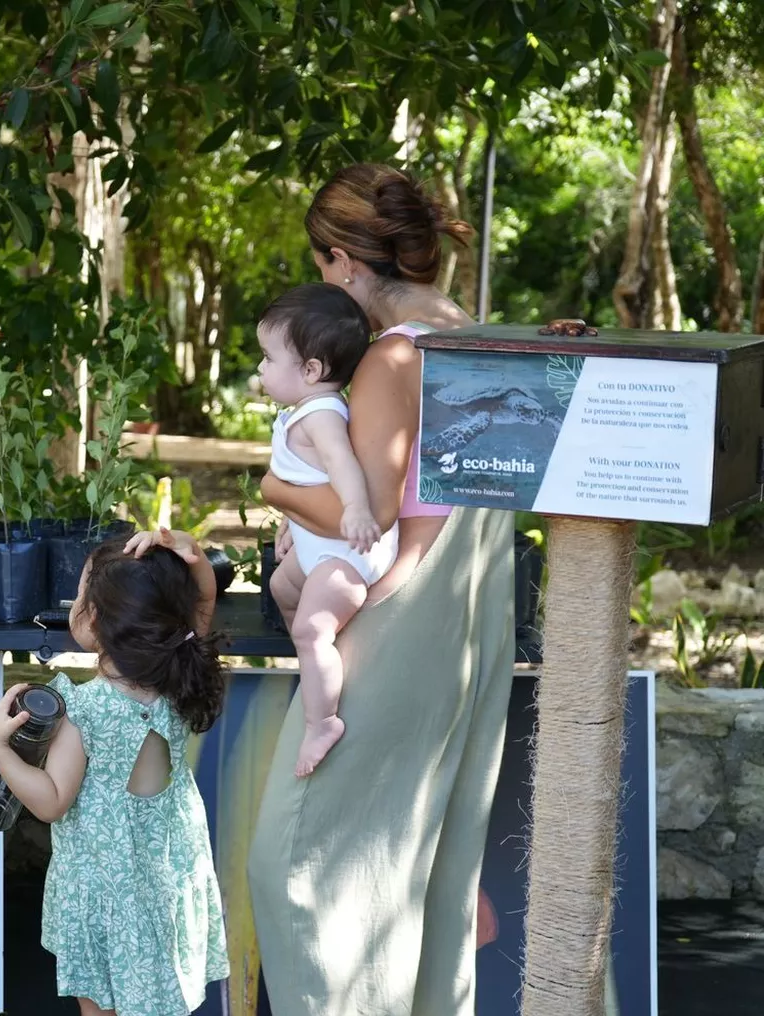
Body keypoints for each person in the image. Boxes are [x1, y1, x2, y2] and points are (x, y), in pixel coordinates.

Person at [246, 163, 515, 1015]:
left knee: (298, 861)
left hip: (398, 620)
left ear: (344, 261)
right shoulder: (480, 336)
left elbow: (359, 512)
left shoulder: (391, 357)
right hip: (473, 624)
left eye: (323, 270)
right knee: (429, 875)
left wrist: (274, 490)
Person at [0, 527, 229, 1016]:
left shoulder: (85, 710)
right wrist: (193, 556)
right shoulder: (182, 673)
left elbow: (52, 800)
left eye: (79, 595)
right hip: (168, 880)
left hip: (103, 893)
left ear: (95, 621)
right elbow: (200, 600)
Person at [256, 282, 398, 777]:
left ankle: (323, 721)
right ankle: (322, 654)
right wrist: (295, 523)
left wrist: (358, 509)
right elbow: (306, 478)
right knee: (279, 585)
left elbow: (340, 465)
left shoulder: (322, 414)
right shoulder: (303, 411)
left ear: (311, 370)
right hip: (321, 542)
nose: (260, 369)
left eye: (268, 359)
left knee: (308, 628)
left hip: (348, 548)